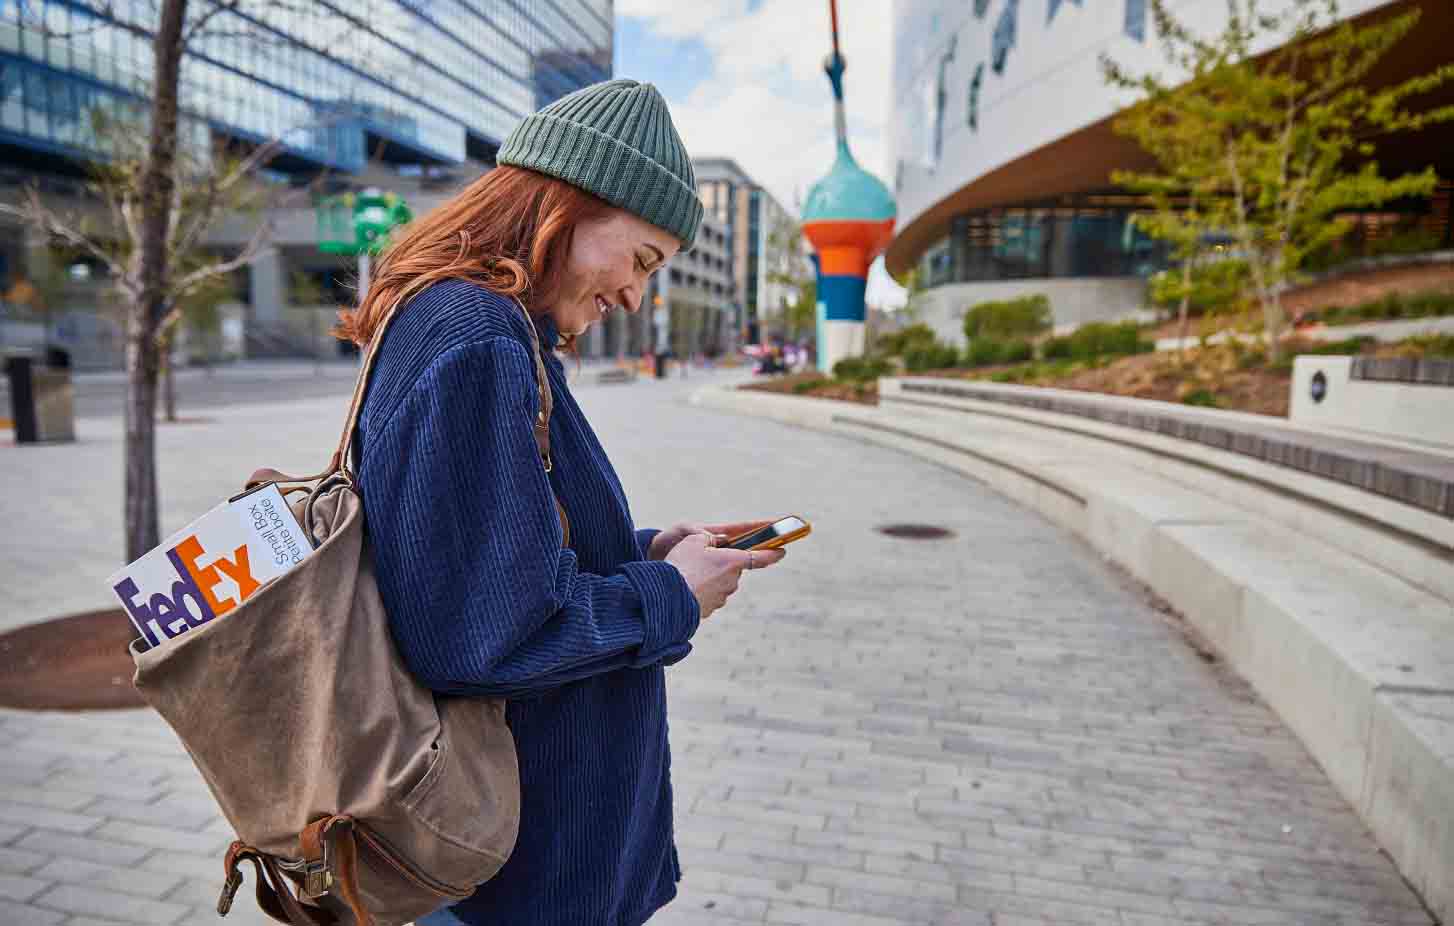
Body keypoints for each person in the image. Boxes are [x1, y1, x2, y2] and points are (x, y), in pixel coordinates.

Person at [335, 79, 787, 926]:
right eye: (643, 259)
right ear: (568, 204)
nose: (635, 297)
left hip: (512, 855)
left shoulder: (483, 328)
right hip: (514, 869)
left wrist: (645, 552)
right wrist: (671, 595)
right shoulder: (478, 338)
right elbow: (477, 634)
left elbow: (483, 555)